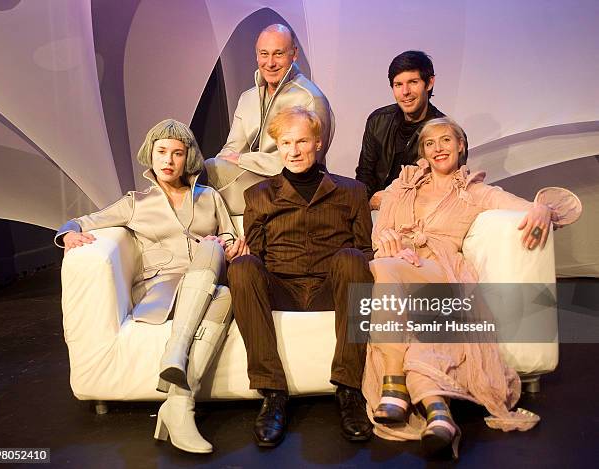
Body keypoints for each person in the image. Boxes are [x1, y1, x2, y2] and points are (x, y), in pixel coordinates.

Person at [363, 117, 581, 459]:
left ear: (460, 146)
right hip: (403, 268)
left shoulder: (475, 190)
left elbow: (520, 206)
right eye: (430, 143)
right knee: (416, 328)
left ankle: (394, 385)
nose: (438, 149)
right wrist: (386, 240)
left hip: (443, 271)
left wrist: (539, 207)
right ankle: (440, 417)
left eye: (446, 140)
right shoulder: (403, 184)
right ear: (423, 151)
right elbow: (381, 229)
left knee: (386, 270)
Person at [55, 119, 249, 454]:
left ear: (187, 158)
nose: (168, 160)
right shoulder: (136, 202)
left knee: (221, 274)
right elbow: (81, 221)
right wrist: (69, 234)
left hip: (205, 283)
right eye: (161, 152)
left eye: (177, 153)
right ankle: (177, 352)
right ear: (151, 154)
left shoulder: (209, 197)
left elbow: (230, 235)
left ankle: (179, 405)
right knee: (214, 258)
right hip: (161, 291)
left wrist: (230, 246)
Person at [227, 106, 373, 447]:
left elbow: (365, 251)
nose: (293, 150)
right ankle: (273, 394)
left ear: (318, 143)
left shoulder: (352, 192)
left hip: (329, 286)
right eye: (285, 143)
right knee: (244, 266)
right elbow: (258, 255)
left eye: (302, 141)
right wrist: (236, 256)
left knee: (354, 259)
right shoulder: (259, 196)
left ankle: (349, 391)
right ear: (278, 147)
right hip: (283, 288)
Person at [204, 23, 333, 215]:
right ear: (257, 56)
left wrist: (242, 160)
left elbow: (305, 160)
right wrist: (233, 161)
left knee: (208, 178)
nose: (270, 63)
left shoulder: (310, 98)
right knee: (203, 171)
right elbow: (231, 149)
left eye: (278, 54)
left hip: (293, 184)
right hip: (251, 177)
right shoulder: (247, 98)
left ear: (294, 53)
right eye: (264, 54)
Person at [355, 50, 468, 210]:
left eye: (413, 82)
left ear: (429, 83)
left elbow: (446, 190)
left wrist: (392, 200)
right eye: (398, 85)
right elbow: (365, 174)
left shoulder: (449, 134)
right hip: (375, 211)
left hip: (419, 217)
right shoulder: (377, 120)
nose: (405, 92)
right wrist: (365, 206)